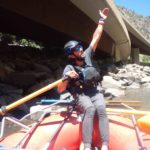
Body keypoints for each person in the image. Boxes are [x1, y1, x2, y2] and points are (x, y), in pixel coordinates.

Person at [57, 7, 109, 150]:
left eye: (80, 46)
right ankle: (87, 146)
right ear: (71, 54)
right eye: (77, 48)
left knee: (101, 108)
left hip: (95, 91)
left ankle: (105, 145)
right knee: (90, 109)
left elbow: (96, 37)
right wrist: (66, 79)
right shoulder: (69, 68)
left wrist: (101, 20)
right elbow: (60, 89)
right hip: (81, 94)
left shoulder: (87, 55)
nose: (81, 49)